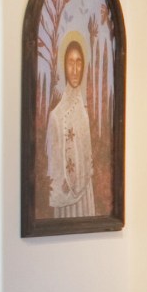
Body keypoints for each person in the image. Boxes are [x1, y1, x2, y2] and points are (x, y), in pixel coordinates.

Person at [45, 31, 97, 219]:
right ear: (63, 67)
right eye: (70, 63)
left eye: (79, 62)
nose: (75, 70)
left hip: (86, 193)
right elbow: (54, 169)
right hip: (66, 200)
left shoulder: (84, 111)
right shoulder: (56, 117)